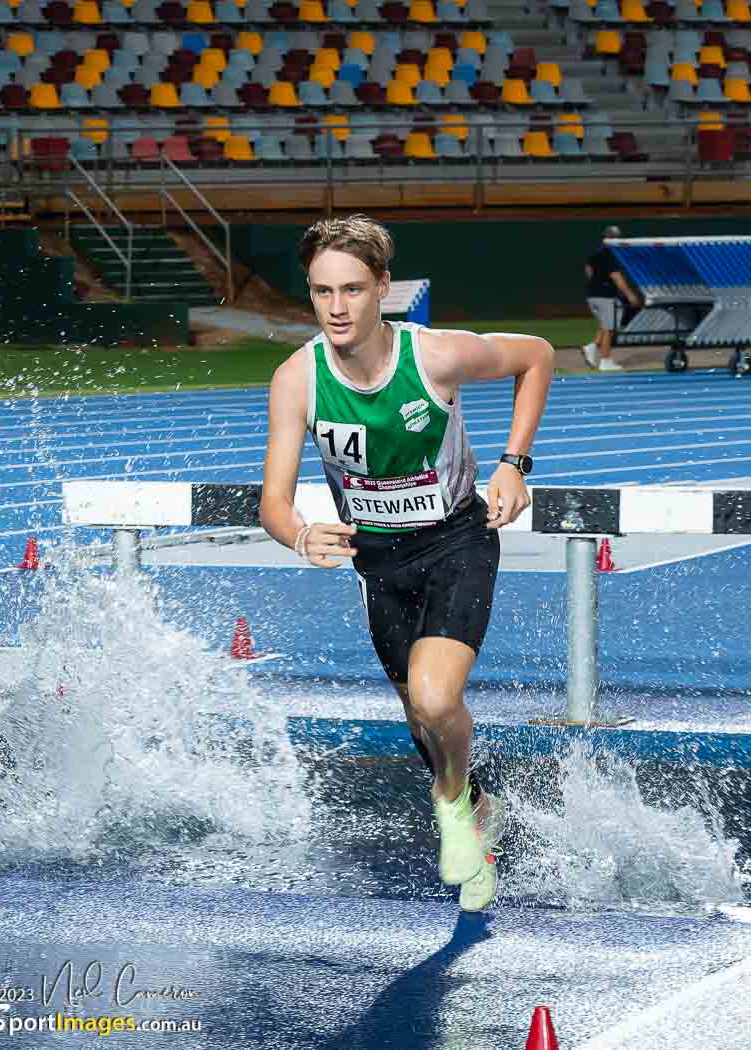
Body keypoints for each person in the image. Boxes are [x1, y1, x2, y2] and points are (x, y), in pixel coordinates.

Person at [259, 215, 555, 912]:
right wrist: (300, 536)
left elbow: (538, 355)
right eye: (322, 291)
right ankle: (477, 804)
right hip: (379, 563)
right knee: (421, 716)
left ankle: (451, 803)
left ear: (382, 288)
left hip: (456, 541)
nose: (336, 308)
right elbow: (273, 502)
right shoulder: (297, 379)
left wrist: (514, 464)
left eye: (352, 290)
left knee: (434, 698)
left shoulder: (436, 357)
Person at [581, 225, 641, 372]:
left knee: (606, 323)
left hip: (592, 295)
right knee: (610, 328)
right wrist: (630, 295)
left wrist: (597, 283)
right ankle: (605, 360)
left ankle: (592, 347)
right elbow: (616, 277)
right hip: (605, 296)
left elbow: (588, 271)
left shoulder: (596, 253)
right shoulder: (611, 255)